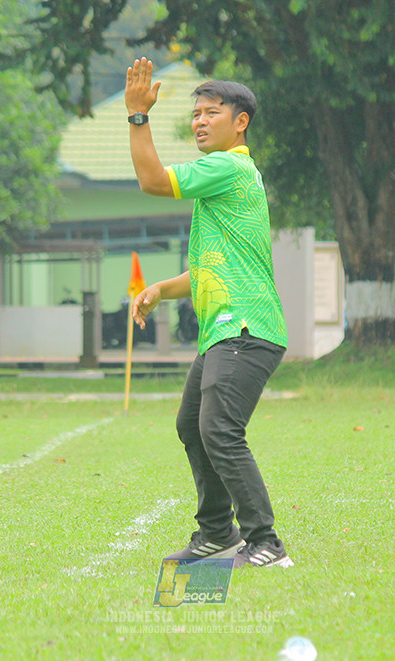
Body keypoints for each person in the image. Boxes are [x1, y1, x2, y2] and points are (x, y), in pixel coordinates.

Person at [125, 58, 292, 569]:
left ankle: (265, 542)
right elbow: (210, 270)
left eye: (211, 113)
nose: (199, 121)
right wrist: (160, 289)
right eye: (196, 113)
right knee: (192, 425)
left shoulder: (228, 167)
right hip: (227, 330)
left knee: (219, 430)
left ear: (240, 122)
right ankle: (218, 532)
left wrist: (137, 115)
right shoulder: (226, 179)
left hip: (244, 327)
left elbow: (152, 181)